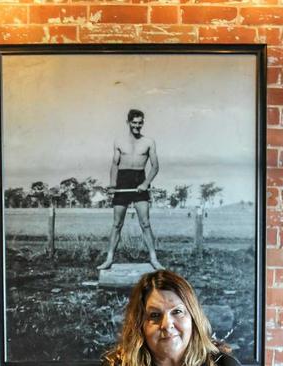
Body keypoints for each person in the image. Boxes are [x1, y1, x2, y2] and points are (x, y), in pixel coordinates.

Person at [101, 270, 241, 366]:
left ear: (193, 318)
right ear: (140, 325)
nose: (167, 325)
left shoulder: (225, 364)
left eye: (177, 312)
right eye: (154, 315)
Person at [97, 109, 163, 270]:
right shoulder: (119, 141)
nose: (137, 126)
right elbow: (114, 165)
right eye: (134, 122)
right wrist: (113, 185)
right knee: (117, 224)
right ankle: (109, 259)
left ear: (143, 123)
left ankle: (154, 259)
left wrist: (146, 183)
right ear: (128, 122)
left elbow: (155, 166)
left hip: (140, 180)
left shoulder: (149, 142)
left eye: (140, 123)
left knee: (145, 223)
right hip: (123, 181)